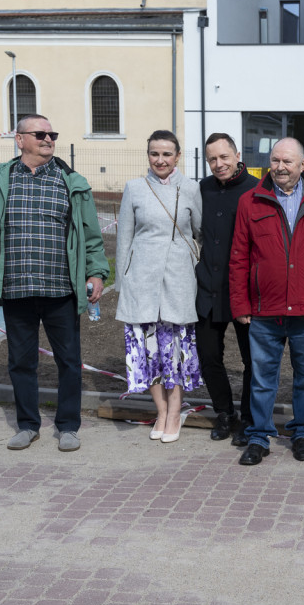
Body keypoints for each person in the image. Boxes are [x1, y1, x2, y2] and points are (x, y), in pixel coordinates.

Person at [0, 114, 108, 453]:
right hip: (16, 288)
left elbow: (91, 236)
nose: (48, 139)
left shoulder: (71, 181)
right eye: (40, 134)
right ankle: (27, 425)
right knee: (21, 362)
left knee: (68, 360)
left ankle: (68, 427)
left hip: (61, 289)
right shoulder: (0, 179)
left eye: (52, 134)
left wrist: (95, 273)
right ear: (19, 140)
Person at [229, 138, 304, 466]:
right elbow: (239, 258)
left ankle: (302, 434)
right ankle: (259, 437)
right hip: (265, 309)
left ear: (303, 164)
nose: (280, 167)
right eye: (275, 160)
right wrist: (240, 305)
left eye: (288, 161)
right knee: (263, 378)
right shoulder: (251, 201)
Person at [115, 130, 203, 443]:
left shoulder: (191, 188)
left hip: (178, 279)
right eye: (155, 153)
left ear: (177, 156)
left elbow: (199, 232)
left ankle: (176, 411)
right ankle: (161, 410)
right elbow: (124, 238)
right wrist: (122, 282)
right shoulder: (135, 189)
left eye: (167, 154)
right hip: (142, 280)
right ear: (148, 155)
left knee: (175, 349)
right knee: (146, 349)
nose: (160, 160)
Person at [197, 133, 258, 445]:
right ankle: (224, 412)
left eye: (223, 157)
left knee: (252, 360)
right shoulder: (203, 188)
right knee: (208, 355)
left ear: (236, 155)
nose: (218, 164)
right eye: (212, 159)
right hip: (208, 288)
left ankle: (248, 418)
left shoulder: (256, 190)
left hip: (244, 291)